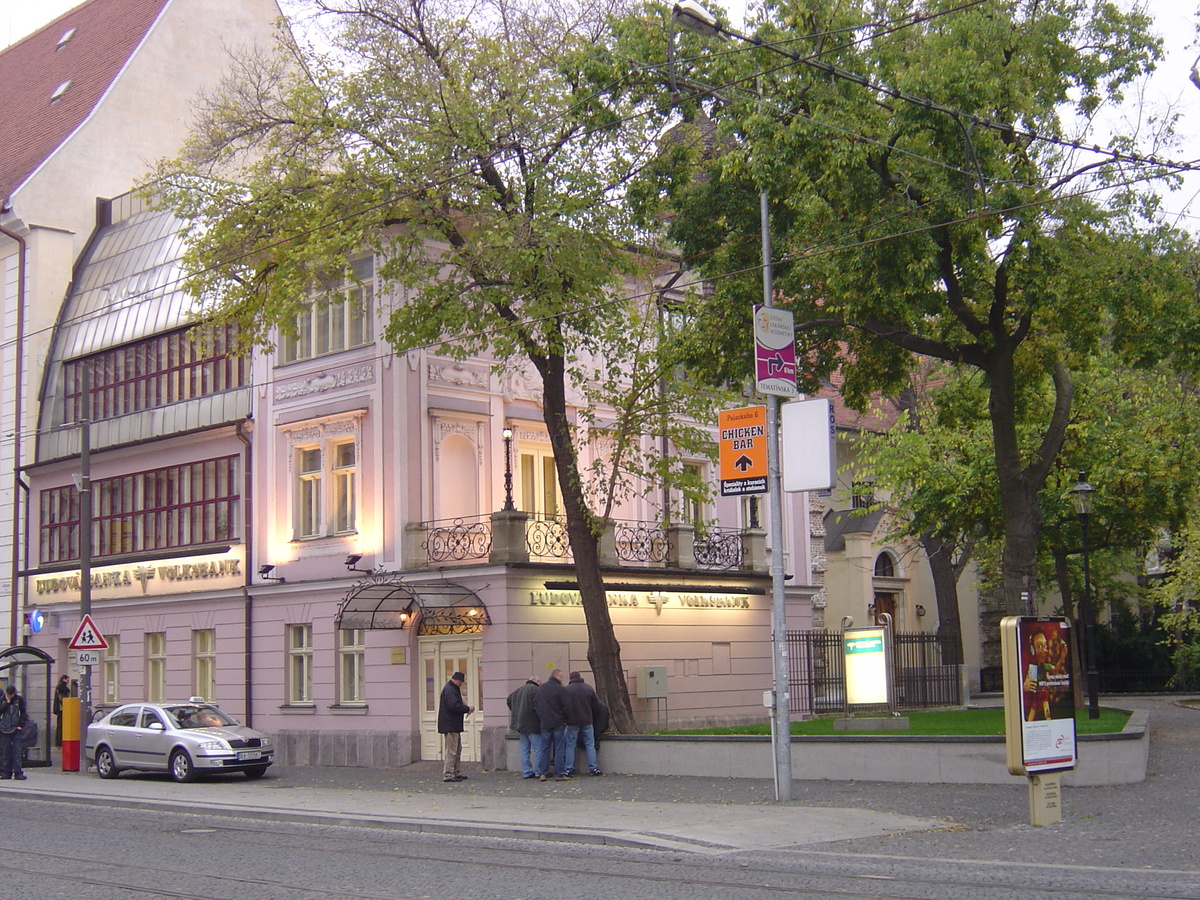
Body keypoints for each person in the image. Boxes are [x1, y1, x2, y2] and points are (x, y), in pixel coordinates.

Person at [563, 671, 603, 776]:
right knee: (590, 745)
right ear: (580, 677)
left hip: (572, 722)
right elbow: (597, 706)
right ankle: (593, 768)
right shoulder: (588, 688)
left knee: (570, 745)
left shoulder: (566, 690)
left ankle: (568, 769)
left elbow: (562, 707)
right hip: (587, 721)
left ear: (570, 679)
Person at [437, 671, 473, 783]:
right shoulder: (450, 690)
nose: (461, 684)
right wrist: (466, 708)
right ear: (456, 680)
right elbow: (453, 706)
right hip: (450, 725)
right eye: (461, 682)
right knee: (452, 750)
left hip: (452, 724)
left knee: (457, 749)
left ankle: (455, 772)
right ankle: (448, 774)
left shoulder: (451, 689)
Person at [534, 668, 569, 781]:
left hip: (545, 722)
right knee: (559, 748)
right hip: (558, 722)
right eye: (561, 677)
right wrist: (564, 718)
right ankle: (559, 774)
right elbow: (566, 706)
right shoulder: (561, 689)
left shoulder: (541, 688)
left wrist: (542, 717)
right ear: (557, 677)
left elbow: (536, 705)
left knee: (544, 749)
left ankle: (543, 773)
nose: (562, 679)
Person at [506, 676, 541, 779]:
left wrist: (515, 711)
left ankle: (526, 771)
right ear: (537, 681)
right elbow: (538, 707)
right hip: (533, 724)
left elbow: (508, 700)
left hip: (520, 724)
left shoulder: (518, 690)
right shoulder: (536, 690)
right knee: (538, 749)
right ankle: (539, 771)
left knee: (524, 749)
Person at [0, 684, 29, 780]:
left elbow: (23, 713)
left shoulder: (19, 700)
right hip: (4, 728)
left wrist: (21, 725)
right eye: (7, 694)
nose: (9, 696)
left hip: (16, 729)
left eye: (10, 695)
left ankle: (18, 772)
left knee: (17, 751)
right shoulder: (2, 699)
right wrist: (6, 703)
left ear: (14, 694)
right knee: (6, 751)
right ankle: (6, 772)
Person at [53, 675, 70, 746]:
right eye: (67, 680)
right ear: (64, 679)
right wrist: (68, 691)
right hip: (61, 708)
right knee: (60, 725)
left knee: (60, 725)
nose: (68, 681)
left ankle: (59, 742)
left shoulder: (59, 685)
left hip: (59, 708)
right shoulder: (61, 685)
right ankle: (59, 742)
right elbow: (66, 690)